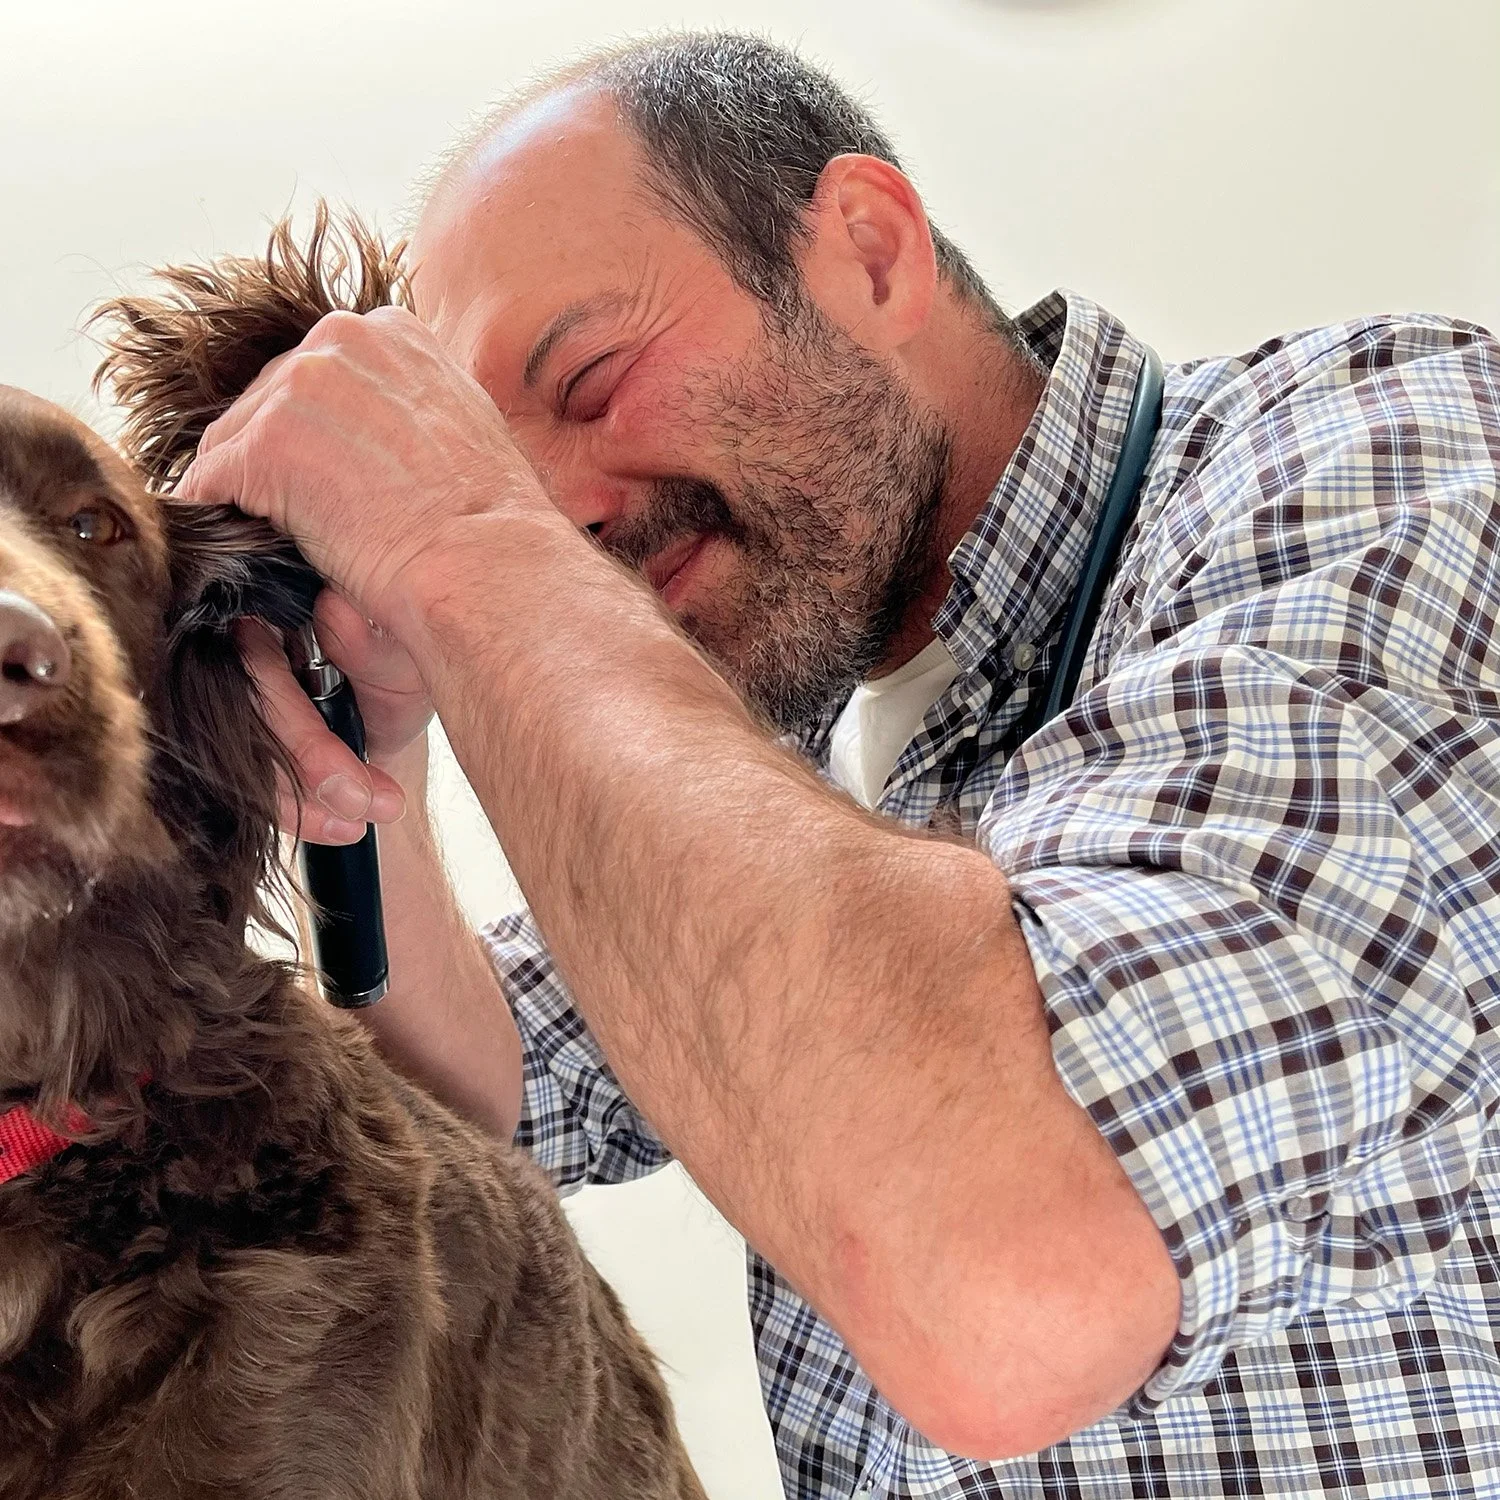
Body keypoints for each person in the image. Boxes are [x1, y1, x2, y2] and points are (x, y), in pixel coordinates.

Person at [178, 32, 1500, 1500]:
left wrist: (467, 541)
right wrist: (385, 763)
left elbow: (1010, 1280)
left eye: (598, 377)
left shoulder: (1382, 450)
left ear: (870, 253)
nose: (566, 511)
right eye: (500, 462)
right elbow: (470, 1109)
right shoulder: (792, 738)